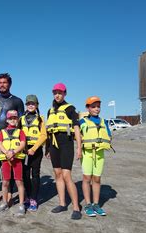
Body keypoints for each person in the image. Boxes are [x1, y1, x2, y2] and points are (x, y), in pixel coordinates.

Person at [0, 73, 24, 206]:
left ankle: (10, 194)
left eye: (5, 82)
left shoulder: (17, 101)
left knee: (12, 165)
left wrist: (21, 138)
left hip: (12, 140)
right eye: (0, 82)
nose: (2, 85)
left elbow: (21, 122)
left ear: (9, 84)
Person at [46, 83, 82, 220]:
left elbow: (76, 129)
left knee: (67, 175)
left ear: (65, 93)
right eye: (55, 92)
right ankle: (62, 203)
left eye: (60, 92)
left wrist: (79, 147)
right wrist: (47, 148)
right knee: (57, 174)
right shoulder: (50, 111)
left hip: (66, 143)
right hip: (54, 145)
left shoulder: (70, 109)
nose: (57, 95)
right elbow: (49, 131)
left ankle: (76, 207)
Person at [79, 96, 112, 217]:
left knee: (97, 179)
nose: (96, 109)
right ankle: (88, 204)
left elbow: (108, 135)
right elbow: (76, 134)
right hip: (87, 153)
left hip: (99, 153)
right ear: (88, 108)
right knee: (87, 178)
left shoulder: (104, 122)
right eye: (93, 106)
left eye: (98, 106)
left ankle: (96, 204)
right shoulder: (82, 121)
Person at [0, 110, 26, 216]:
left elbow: (22, 144)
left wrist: (13, 152)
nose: (13, 120)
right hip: (6, 160)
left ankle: (21, 204)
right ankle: (4, 202)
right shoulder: (2, 132)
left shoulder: (20, 132)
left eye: (15, 118)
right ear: (7, 120)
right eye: (11, 118)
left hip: (17, 160)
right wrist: (7, 152)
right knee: (5, 182)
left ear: (17, 119)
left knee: (19, 182)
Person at [18, 94, 47, 212]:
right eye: (29, 103)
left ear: (37, 105)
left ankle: (34, 199)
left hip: (36, 150)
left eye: (33, 103)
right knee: (25, 175)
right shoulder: (21, 119)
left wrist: (34, 148)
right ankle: (28, 197)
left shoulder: (41, 119)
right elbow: (17, 133)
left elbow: (44, 135)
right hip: (24, 150)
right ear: (26, 105)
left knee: (35, 175)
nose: (31, 105)